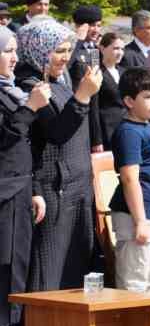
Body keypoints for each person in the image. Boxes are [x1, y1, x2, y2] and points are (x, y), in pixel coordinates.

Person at [17, 18, 99, 295]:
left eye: (68, 50)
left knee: (75, 269)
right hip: (53, 190)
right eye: (59, 50)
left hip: (77, 188)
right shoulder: (31, 85)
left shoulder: (58, 81)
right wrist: (83, 97)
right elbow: (56, 132)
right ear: (39, 49)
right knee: (49, 271)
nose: (65, 57)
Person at [0, 27, 50, 326]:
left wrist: (32, 187)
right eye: (7, 50)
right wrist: (29, 109)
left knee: (13, 268)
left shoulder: (11, 90)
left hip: (17, 189)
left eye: (15, 50)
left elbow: (22, 149)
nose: (14, 57)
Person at [109, 67, 150, 300]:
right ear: (128, 100)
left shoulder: (146, 127)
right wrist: (140, 221)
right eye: (147, 97)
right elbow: (129, 178)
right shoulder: (129, 132)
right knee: (134, 283)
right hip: (139, 217)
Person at [95, 30, 126, 148]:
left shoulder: (124, 72)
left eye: (122, 49)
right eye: (116, 48)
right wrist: (97, 140)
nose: (120, 53)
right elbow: (94, 108)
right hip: (106, 132)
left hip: (124, 130)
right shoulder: (96, 73)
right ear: (102, 49)